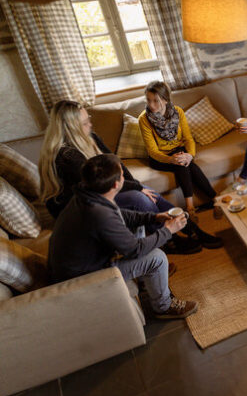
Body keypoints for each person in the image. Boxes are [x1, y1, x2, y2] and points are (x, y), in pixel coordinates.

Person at [38, 100, 220, 253]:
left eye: (89, 119)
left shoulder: (90, 137)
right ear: (71, 127)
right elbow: (100, 183)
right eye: (85, 123)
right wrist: (138, 189)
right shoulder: (67, 156)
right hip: (79, 206)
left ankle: (191, 230)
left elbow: (117, 165)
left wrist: (138, 184)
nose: (90, 125)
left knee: (149, 193)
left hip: (98, 192)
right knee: (139, 198)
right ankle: (168, 240)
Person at [48, 154, 199, 319]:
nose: (124, 177)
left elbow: (118, 214)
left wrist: (154, 217)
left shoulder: (86, 194)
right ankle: (163, 307)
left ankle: (143, 279)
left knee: (138, 227)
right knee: (158, 258)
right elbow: (135, 249)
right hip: (83, 277)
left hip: (78, 264)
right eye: (122, 175)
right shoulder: (98, 213)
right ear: (116, 184)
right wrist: (168, 230)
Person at [139, 81, 217, 216]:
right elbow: (152, 151)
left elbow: (188, 138)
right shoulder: (144, 119)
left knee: (186, 162)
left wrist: (190, 155)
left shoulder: (178, 112)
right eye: (148, 100)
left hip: (178, 151)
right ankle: (200, 204)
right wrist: (171, 159)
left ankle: (199, 205)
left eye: (155, 101)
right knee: (182, 164)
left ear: (165, 100)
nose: (151, 105)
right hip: (159, 158)